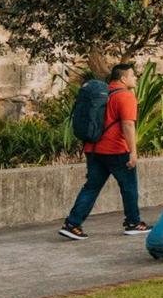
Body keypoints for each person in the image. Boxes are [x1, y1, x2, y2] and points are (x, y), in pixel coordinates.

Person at [60, 63, 151, 240]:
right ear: (123, 78)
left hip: (93, 149)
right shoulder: (125, 96)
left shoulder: (102, 94)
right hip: (116, 150)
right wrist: (133, 151)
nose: (135, 78)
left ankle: (72, 224)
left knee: (91, 187)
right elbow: (128, 124)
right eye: (133, 75)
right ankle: (133, 223)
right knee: (129, 187)